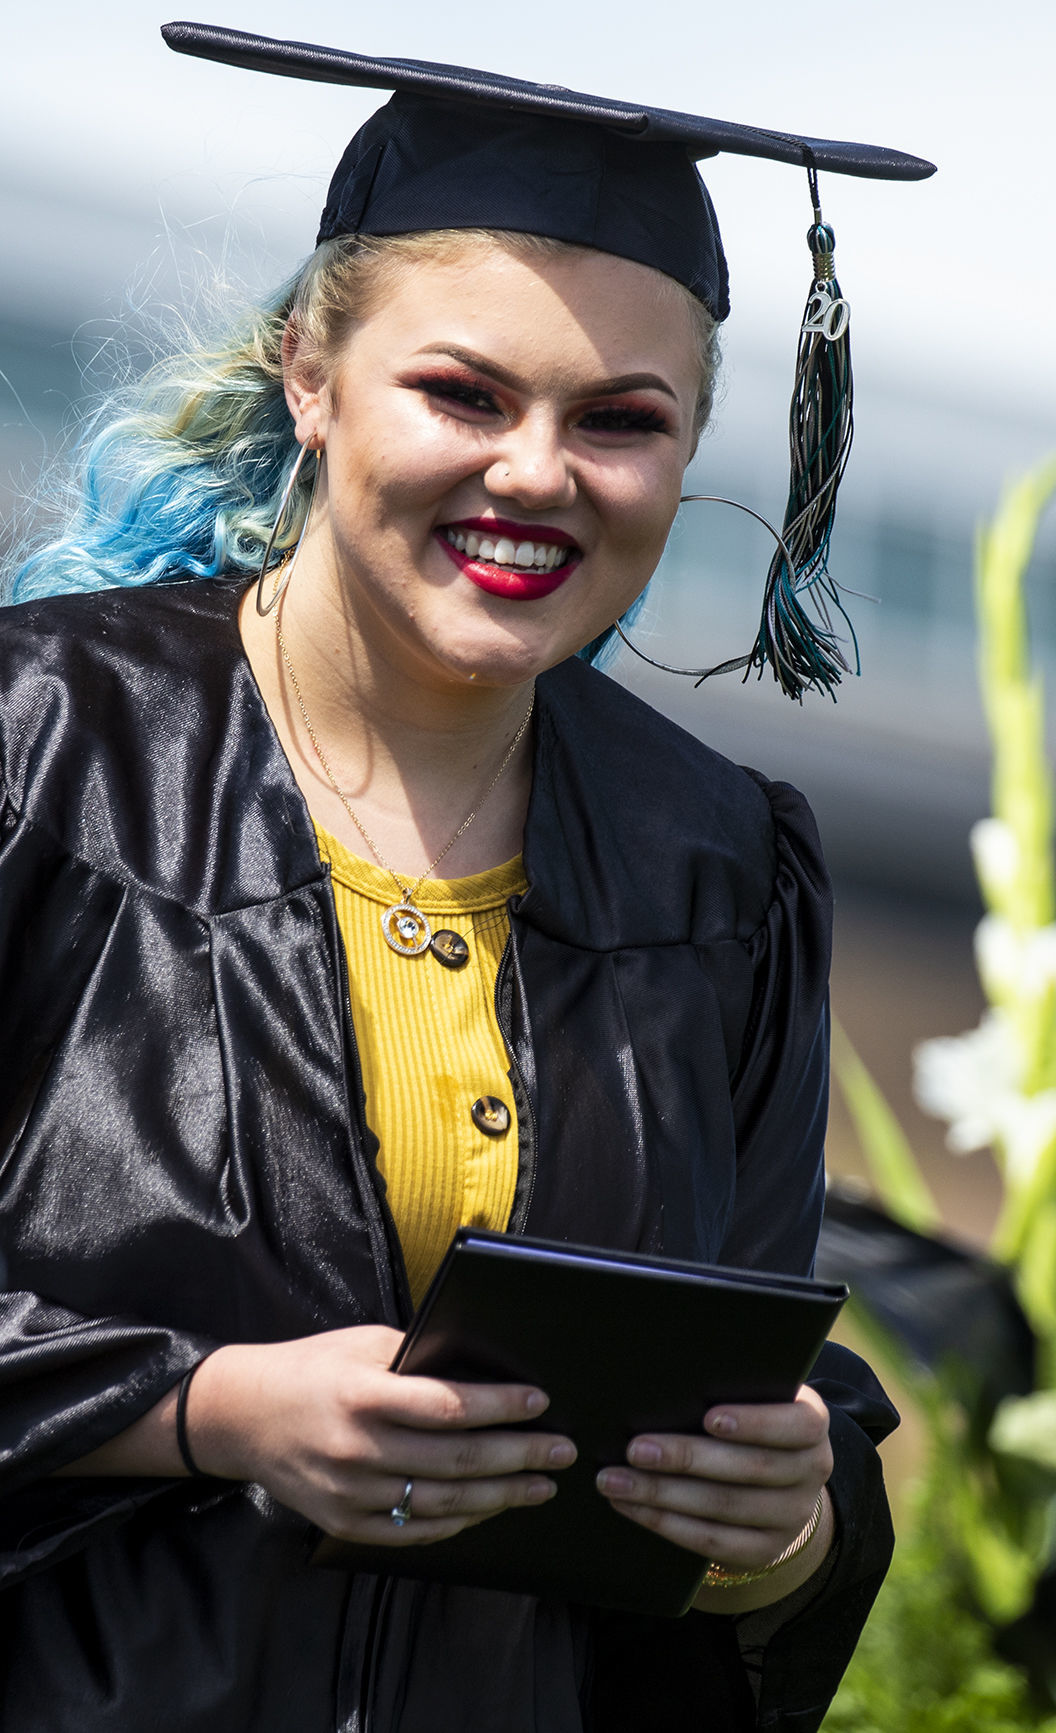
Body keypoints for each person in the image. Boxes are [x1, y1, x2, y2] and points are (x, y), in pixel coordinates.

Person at [0, 25, 933, 1733]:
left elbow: (737, 1378)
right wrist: (205, 1408)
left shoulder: (720, 873)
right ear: (310, 372)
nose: (535, 472)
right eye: (465, 392)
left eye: (622, 420)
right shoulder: (39, 747)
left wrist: (786, 1524)